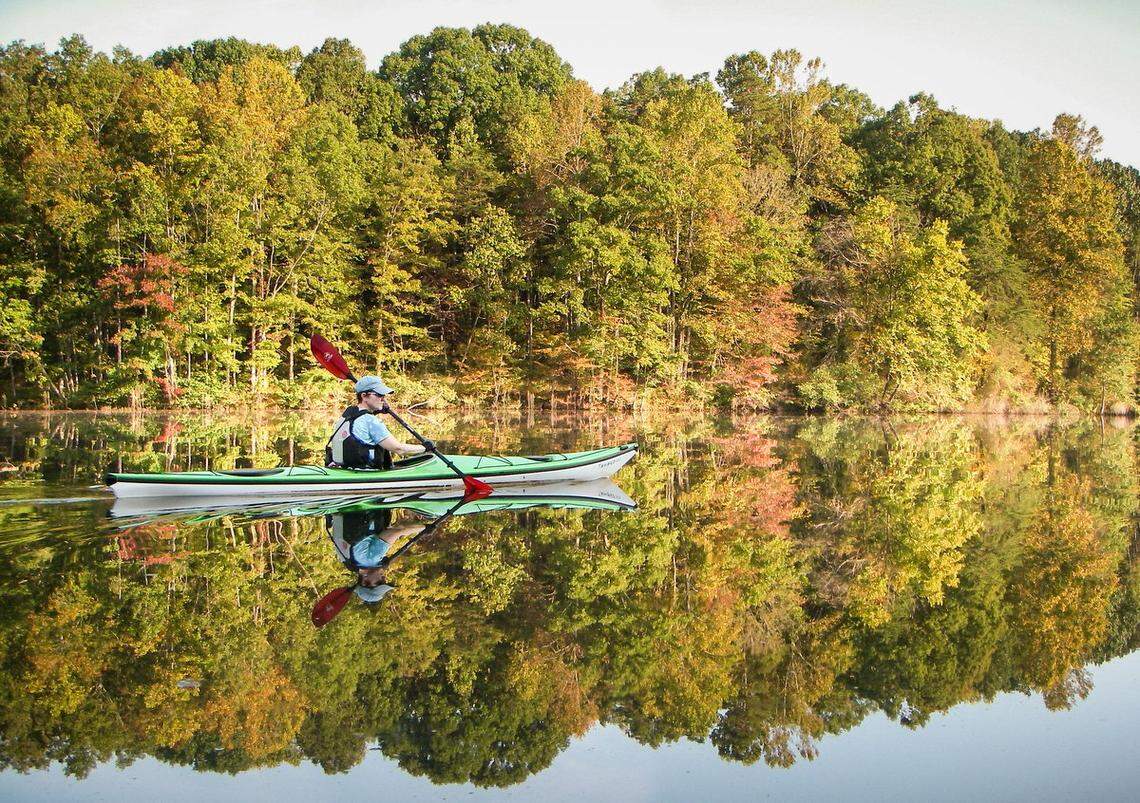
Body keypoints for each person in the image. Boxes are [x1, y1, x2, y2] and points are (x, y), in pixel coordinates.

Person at [325, 375, 434, 468]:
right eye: (379, 395)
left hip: (345, 468)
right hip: (367, 473)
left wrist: (376, 411)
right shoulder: (371, 421)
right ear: (364, 396)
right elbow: (399, 449)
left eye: (383, 395)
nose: (383, 399)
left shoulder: (348, 414)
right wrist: (425, 448)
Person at [326, 507, 423, 604]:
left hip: (365, 506)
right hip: (345, 508)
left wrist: (425, 527)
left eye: (380, 582)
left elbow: (399, 529)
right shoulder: (347, 561)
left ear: (365, 582)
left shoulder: (372, 559)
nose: (384, 578)